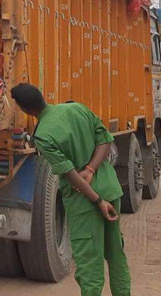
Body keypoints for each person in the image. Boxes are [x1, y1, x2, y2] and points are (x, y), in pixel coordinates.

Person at [10, 83, 131, 296]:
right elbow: (105, 140)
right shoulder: (76, 108)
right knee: (116, 254)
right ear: (42, 96)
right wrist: (92, 169)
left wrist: (97, 202)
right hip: (111, 190)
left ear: (24, 109)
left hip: (85, 202)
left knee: (89, 265)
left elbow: (72, 175)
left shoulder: (44, 135)